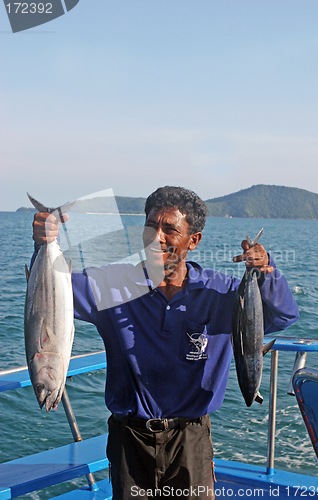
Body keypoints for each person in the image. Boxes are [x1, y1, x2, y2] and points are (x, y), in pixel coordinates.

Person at [32, 186, 299, 500]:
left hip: (192, 441)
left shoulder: (224, 294)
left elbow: (282, 316)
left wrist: (266, 272)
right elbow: (51, 293)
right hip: (129, 440)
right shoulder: (111, 286)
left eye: (170, 229)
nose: (156, 237)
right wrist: (45, 244)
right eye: (150, 226)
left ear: (193, 240)